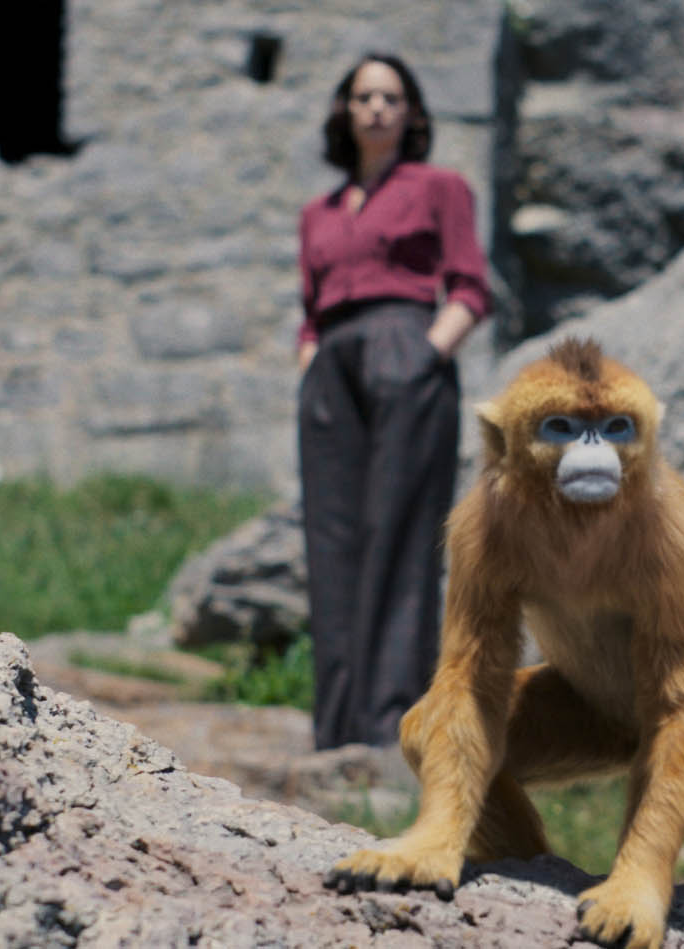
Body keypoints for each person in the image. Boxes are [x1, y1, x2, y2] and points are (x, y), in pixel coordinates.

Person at [295, 52, 488, 750]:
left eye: (392, 97)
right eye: (364, 96)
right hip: (331, 369)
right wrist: (310, 361)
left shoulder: (440, 187)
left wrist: (427, 355)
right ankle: (336, 728)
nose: (377, 108)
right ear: (345, 110)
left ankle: (388, 727)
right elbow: (309, 309)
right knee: (332, 539)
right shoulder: (317, 212)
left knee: (401, 537)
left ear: (411, 114)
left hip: (406, 347)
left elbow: (470, 288)